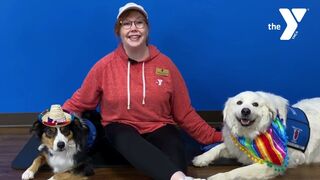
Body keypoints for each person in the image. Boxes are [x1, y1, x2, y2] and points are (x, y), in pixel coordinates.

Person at [63, 2, 222, 180]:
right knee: (124, 137)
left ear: (147, 29)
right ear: (119, 31)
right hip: (120, 127)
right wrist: (56, 119)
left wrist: (215, 137)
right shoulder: (104, 66)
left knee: (176, 146)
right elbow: (81, 101)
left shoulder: (166, 65)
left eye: (139, 23)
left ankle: (180, 177)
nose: (134, 28)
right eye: (127, 23)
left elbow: (184, 113)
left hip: (159, 125)